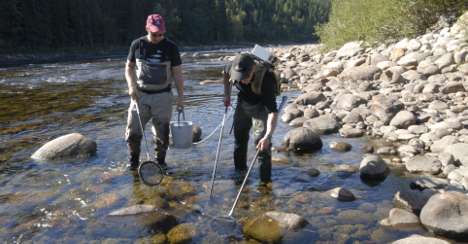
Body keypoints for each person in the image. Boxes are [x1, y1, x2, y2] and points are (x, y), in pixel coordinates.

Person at [125, 14, 184, 170]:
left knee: (162, 135)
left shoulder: (171, 47)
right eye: (154, 34)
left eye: (161, 34)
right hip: (140, 96)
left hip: (163, 97)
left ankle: (160, 163)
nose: (158, 37)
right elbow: (129, 67)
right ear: (147, 29)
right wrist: (131, 86)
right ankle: (133, 162)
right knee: (133, 132)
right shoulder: (137, 45)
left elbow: (177, 73)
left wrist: (181, 99)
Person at [222, 53, 279, 186]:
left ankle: (264, 183)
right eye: (238, 77)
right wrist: (226, 94)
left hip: (260, 105)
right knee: (239, 138)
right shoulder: (232, 67)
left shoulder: (265, 81)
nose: (242, 80)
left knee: (261, 144)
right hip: (243, 102)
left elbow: (273, 112)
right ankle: (239, 172)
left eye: (245, 77)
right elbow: (225, 73)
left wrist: (268, 136)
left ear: (253, 69)